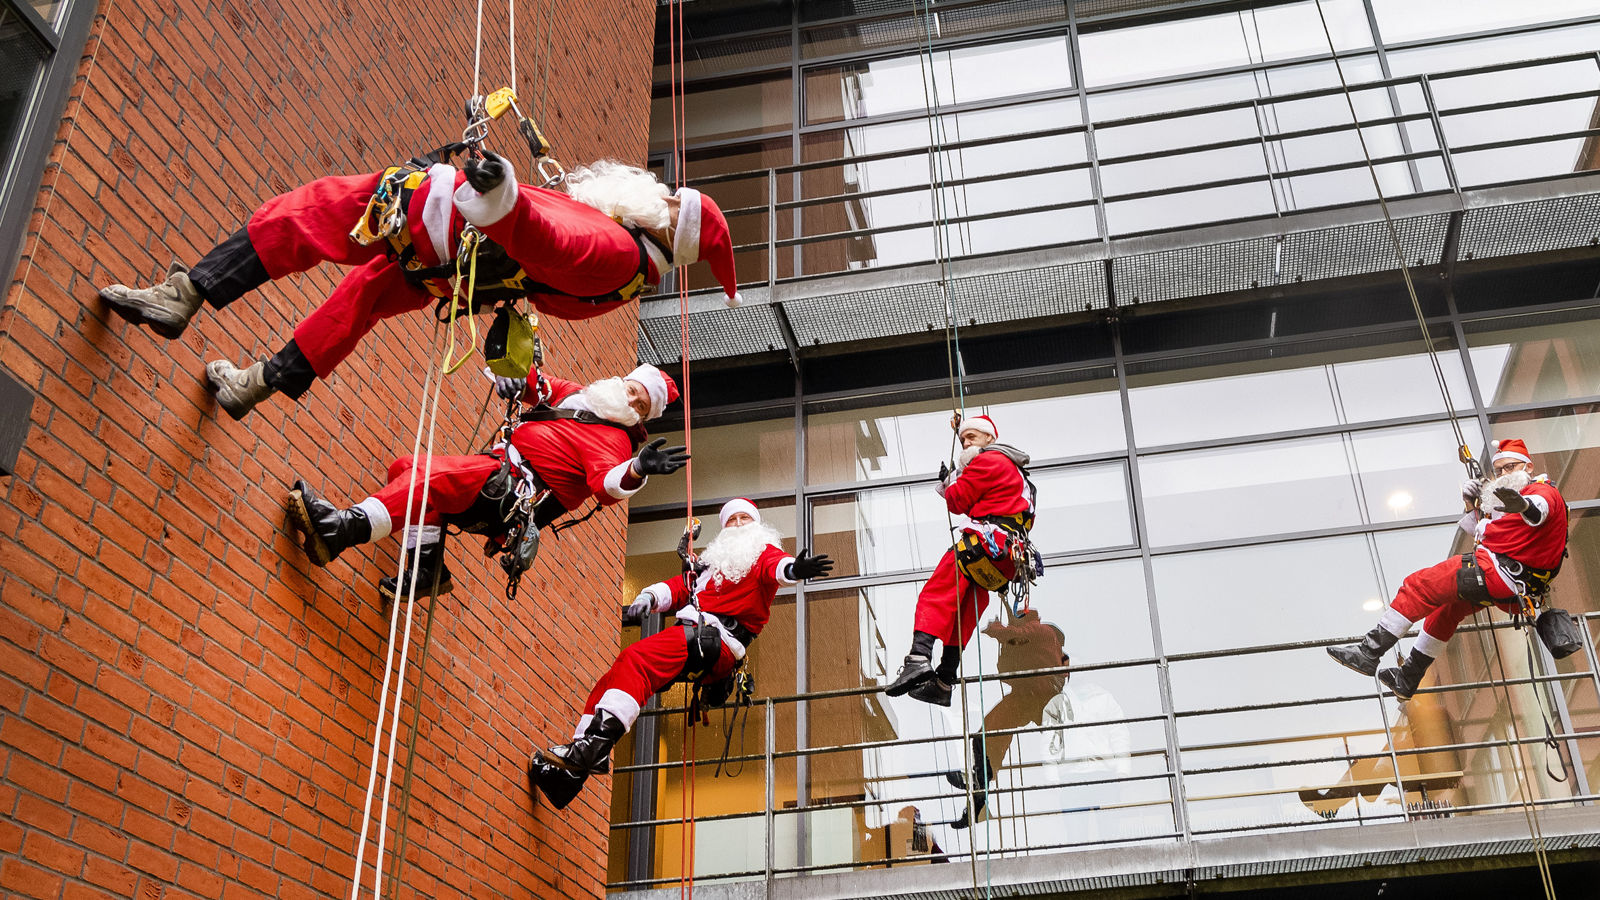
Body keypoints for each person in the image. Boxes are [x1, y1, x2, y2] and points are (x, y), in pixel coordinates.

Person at [99, 155, 743, 419]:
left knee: (310, 214)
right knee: (361, 301)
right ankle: (257, 383)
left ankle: (189, 292)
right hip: (455, 269)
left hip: (441, 228)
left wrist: (504, 195)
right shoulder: (626, 263)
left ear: (666, 221)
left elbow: (549, 241)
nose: (651, 187)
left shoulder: (614, 249)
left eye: (664, 195)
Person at [528, 499, 833, 809]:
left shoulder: (762, 552)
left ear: (757, 525)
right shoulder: (714, 567)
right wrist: (648, 596)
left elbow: (778, 568)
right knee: (618, 672)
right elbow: (681, 587)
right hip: (697, 635)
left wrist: (796, 568)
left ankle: (591, 750)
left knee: (637, 660)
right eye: (732, 520)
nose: (739, 524)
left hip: (715, 638)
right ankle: (570, 775)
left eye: (745, 518)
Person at [286, 364, 685, 600]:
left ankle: (341, 530)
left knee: (428, 477)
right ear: (623, 381)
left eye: (641, 406)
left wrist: (638, 469)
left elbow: (608, 485)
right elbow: (531, 381)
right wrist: (510, 375)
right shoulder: (576, 394)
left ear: (642, 419)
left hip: (511, 492)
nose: (632, 403)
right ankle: (427, 569)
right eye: (634, 392)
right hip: (496, 469)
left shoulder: (614, 439)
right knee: (405, 467)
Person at [1327, 438, 1569, 699]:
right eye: (1499, 470)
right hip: (1511, 584)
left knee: (1420, 585)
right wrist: (1471, 504)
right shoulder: (1511, 502)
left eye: (1510, 467)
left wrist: (1522, 505)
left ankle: (1368, 651)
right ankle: (1408, 678)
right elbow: (1490, 533)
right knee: (1444, 611)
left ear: (1529, 466)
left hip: (1499, 573)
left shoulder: (1542, 492)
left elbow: (1538, 511)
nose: (1503, 474)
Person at [884, 414, 1036, 706]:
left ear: (990, 439)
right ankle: (944, 679)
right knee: (966, 606)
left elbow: (958, 502)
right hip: (1006, 557)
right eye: (964, 438)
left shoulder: (988, 461)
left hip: (985, 542)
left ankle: (918, 657)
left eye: (973, 437)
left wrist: (949, 481)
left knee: (936, 594)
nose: (966, 442)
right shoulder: (1016, 471)